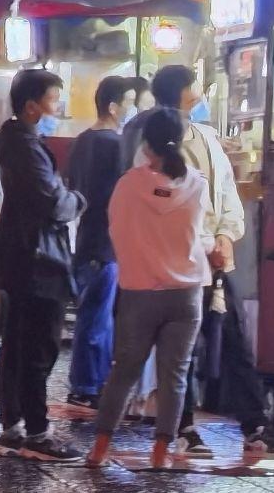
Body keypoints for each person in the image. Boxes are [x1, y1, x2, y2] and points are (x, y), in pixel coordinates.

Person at [120, 64, 262, 454]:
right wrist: (205, 243)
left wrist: (226, 236)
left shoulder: (208, 137)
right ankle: (179, 428)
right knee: (180, 351)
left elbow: (226, 193)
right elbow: (163, 204)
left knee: (235, 339)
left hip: (215, 259)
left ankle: (256, 426)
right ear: (184, 91)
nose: (200, 91)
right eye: (196, 85)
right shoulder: (153, 145)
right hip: (181, 262)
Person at [85, 110, 209, 457]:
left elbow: (117, 230)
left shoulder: (129, 184)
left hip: (139, 292)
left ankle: (99, 448)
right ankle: (160, 450)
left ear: (145, 143)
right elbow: (199, 235)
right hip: (186, 293)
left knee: (124, 370)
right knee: (176, 375)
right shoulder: (197, 184)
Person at [0, 68, 84, 460]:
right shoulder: (24, 147)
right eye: (52, 101)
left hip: (21, 255)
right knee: (37, 347)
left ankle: (14, 425)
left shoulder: (15, 141)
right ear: (32, 107)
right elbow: (54, 202)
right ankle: (37, 430)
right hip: (37, 259)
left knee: (17, 343)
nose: (56, 109)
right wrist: (77, 199)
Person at [63, 74, 134, 409]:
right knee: (97, 317)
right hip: (106, 240)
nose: (132, 109)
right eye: (130, 103)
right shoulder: (115, 145)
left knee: (91, 314)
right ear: (113, 106)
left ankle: (88, 384)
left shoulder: (82, 140)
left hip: (85, 235)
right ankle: (87, 386)